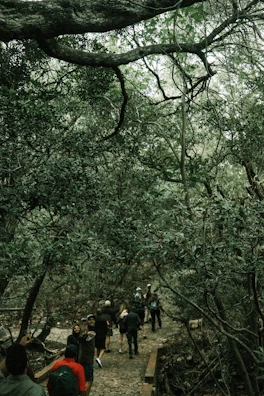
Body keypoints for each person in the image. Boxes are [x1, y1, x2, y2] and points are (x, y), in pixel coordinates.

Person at [78, 314, 96, 396]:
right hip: (86, 359)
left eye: (93, 319)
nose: (92, 321)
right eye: (90, 319)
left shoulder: (92, 330)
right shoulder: (85, 330)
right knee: (88, 380)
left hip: (88, 358)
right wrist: (86, 334)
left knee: (87, 380)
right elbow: (81, 338)